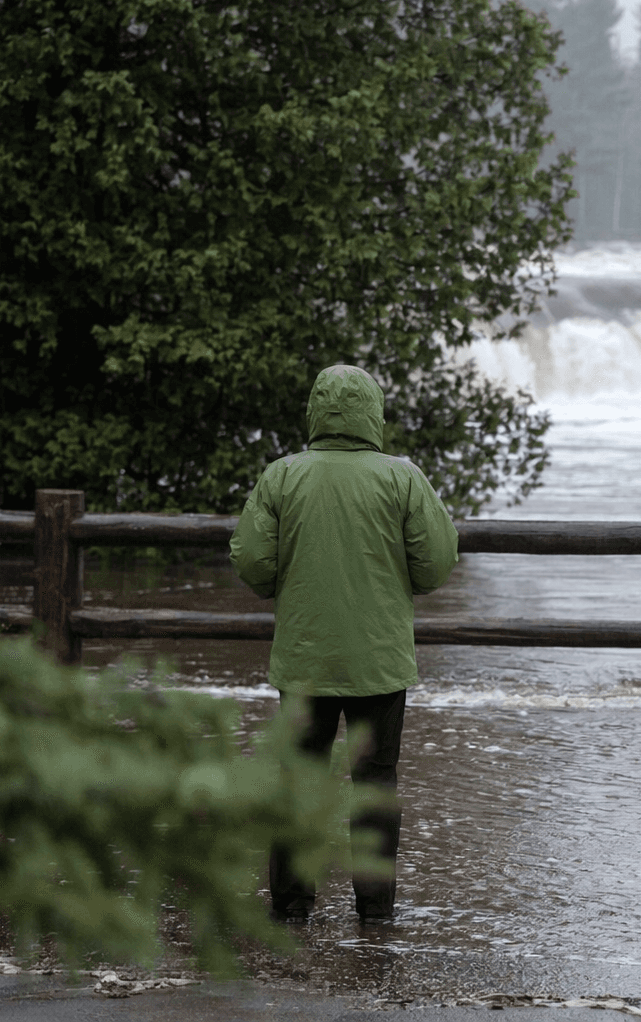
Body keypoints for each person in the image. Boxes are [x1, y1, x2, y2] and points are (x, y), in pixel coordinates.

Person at [230, 364, 460, 925]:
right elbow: (434, 567)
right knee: (376, 784)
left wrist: (278, 582)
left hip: (305, 659)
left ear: (315, 411)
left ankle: (291, 909)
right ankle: (375, 914)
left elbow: (253, 562)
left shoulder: (282, 476)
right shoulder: (402, 478)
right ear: (374, 414)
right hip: (378, 662)